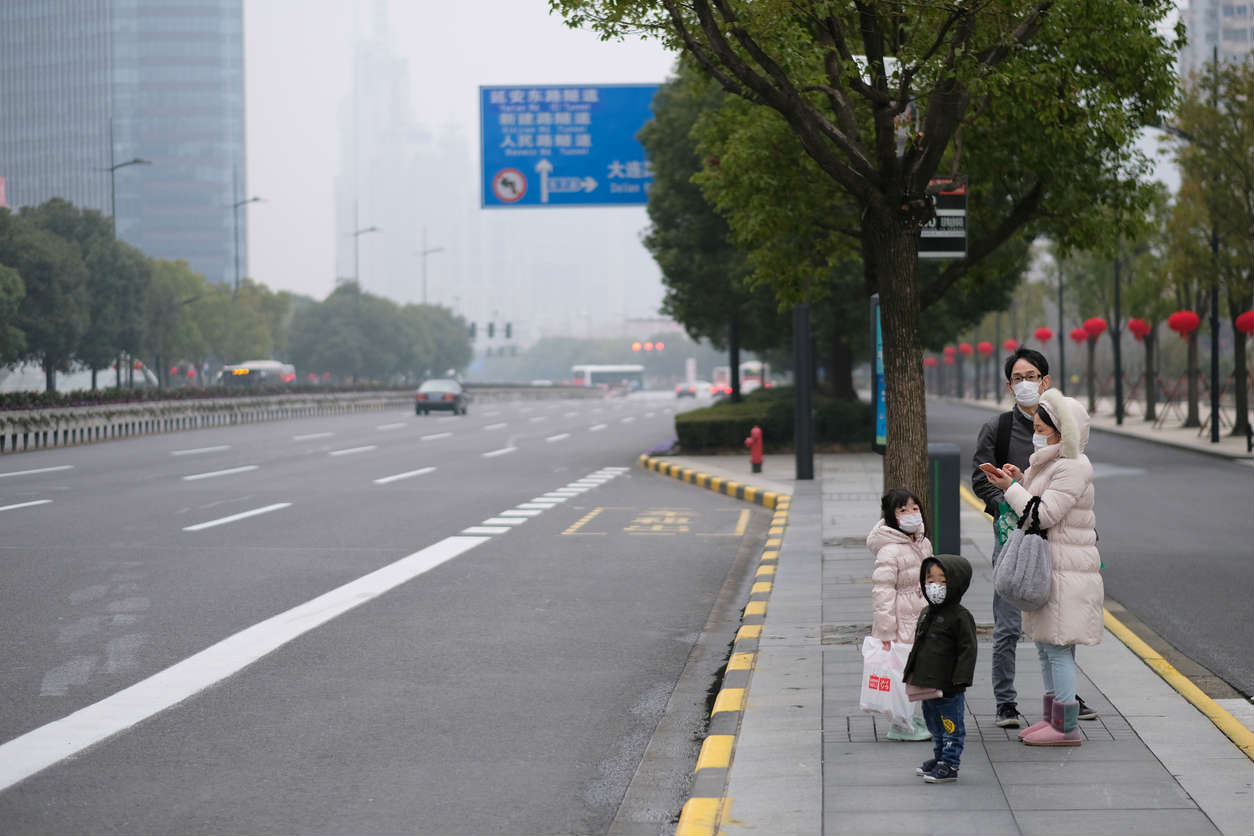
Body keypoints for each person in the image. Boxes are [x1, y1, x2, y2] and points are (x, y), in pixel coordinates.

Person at [972, 347, 1096, 727]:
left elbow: (1062, 497)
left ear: (1047, 381)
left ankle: (1064, 700)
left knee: (1056, 626)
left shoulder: (1068, 430)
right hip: (1015, 537)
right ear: (1008, 385)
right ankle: (1006, 702)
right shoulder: (1000, 428)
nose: (1025, 384)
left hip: (1054, 540)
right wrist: (1005, 505)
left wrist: (1019, 490)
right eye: (1017, 378)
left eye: (1032, 377)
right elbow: (981, 479)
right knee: (1009, 622)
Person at [902, 554, 977, 783]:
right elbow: (919, 645)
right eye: (930, 580)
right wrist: (912, 673)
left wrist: (961, 679)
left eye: (942, 581)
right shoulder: (927, 613)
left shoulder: (960, 617)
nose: (935, 586)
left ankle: (950, 762)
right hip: (928, 682)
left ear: (955, 583)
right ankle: (939, 756)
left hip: (950, 685)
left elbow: (968, 650)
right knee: (933, 722)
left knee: (951, 724)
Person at [866, 488, 933, 742]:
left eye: (914, 508)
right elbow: (882, 592)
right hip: (900, 617)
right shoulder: (889, 550)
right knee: (902, 672)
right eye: (902, 510)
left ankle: (908, 717)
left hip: (920, 614)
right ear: (892, 516)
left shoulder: (923, 542)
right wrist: (885, 631)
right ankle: (900, 724)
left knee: (913, 670)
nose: (910, 514)